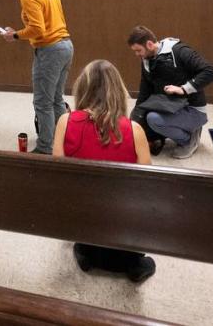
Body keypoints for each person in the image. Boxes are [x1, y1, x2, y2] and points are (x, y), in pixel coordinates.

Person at [53, 59, 155, 283]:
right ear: (118, 90)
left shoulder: (65, 122)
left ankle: (88, 251)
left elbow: (59, 174)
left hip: (82, 215)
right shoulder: (134, 130)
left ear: (83, 88)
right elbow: (147, 184)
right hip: (123, 220)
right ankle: (129, 261)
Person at [1, 0, 73, 155]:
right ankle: (66, 140)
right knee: (57, 98)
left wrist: (15, 35)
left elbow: (38, 29)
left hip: (50, 50)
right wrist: (16, 31)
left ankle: (45, 147)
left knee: (42, 102)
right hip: (65, 46)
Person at [127, 25, 213, 159]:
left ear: (149, 44)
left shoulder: (180, 51)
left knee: (153, 119)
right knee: (137, 119)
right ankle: (177, 129)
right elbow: (144, 92)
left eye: (138, 50)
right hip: (169, 106)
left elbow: (211, 71)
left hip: (193, 109)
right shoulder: (146, 60)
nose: (137, 54)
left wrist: (184, 88)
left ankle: (189, 139)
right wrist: (135, 121)